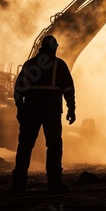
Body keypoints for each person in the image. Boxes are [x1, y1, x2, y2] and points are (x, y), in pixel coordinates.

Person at [11, 35, 76, 193]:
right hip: (51, 112)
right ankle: (54, 183)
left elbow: (18, 89)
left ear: (41, 47)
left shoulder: (30, 64)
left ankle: (19, 183)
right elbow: (68, 89)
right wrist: (71, 109)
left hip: (30, 111)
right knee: (54, 146)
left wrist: (20, 109)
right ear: (53, 48)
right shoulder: (59, 65)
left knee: (25, 146)